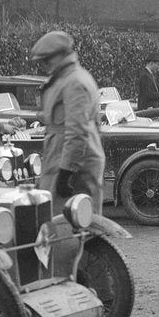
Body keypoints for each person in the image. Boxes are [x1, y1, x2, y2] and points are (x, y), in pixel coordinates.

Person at [30, 31, 105, 213]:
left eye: (47, 60)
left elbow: (77, 131)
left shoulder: (74, 82)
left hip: (73, 165)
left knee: (70, 222)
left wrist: (66, 172)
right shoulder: (70, 78)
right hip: (68, 159)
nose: (45, 65)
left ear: (62, 55)